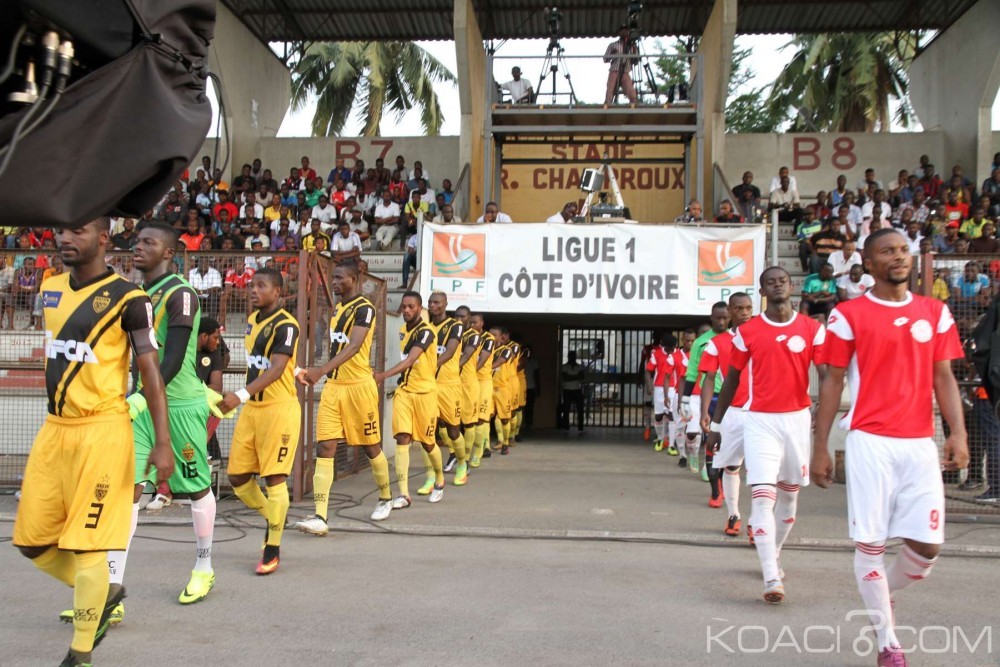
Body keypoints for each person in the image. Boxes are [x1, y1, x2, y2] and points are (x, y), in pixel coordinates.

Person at [14, 218, 172, 667]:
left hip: (103, 431)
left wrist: (162, 442)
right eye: (61, 231)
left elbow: (151, 372)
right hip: (55, 429)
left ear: (103, 239)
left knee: (88, 546)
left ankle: (80, 654)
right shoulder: (49, 287)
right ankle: (103, 593)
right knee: (31, 541)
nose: (65, 237)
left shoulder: (130, 299)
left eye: (77, 231)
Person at [812, 228, 968, 666]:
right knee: (872, 544)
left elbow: (944, 377)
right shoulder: (849, 314)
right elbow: (833, 381)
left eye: (903, 250)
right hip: (870, 442)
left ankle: (878, 593)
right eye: (888, 252)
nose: (899, 258)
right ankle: (888, 644)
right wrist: (820, 445)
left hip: (920, 443)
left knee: (928, 546)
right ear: (868, 261)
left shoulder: (934, 311)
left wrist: (957, 432)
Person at [103, 223, 217, 608]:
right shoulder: (137, 294)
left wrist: (138, 397)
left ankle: (204, 565)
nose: (138, 248)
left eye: (148, 242)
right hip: (141, 406)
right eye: (137, 241)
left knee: (195, 488)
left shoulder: (180, 293)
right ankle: (110, 593)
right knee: (128, 492)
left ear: (169, 252)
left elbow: (172, 358)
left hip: (179, 405)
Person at [706, 266, 826, 605]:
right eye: (770, 282)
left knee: (789, 498)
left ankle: (772, 552)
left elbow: (828, 373)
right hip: (759, 421)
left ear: (792, 287)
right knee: (762, 496)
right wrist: (716, 425)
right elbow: (730, 379)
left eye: (782, 281)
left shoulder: (812, 329)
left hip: (797, 421)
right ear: (762, 290)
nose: (777, 285)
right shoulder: (749, 331)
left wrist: (824, 410)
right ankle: (771, 575)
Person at [295, 261, 392, 530]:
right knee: (325, 447)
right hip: (334, 388)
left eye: (339, 277)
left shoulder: (365, 308)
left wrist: (321, 369)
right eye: (332, 277)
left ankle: (385, 497)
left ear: (354, 278)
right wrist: (323, 373)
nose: (334, 282)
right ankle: (320, 516)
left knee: (371, 447)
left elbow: (355, 345)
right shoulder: (338, 309)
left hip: (359, 388)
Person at [217, 268, 301, 575]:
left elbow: (277, 368)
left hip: (278, 411)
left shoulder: (287, 325)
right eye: (252, 285)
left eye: (261, 286)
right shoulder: (253, 322)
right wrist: (297, 368)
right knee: (238, 477)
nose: (254, 290)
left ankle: (272, 546)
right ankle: (274, 515)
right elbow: (266, 363)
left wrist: (238, 394)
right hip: (252, 409)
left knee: (274, 478)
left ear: (277, 292)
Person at [375, 291, 446, 508]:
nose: (406, 310)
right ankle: (404, 494)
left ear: (420, 308)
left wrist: (382, 376)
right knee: (402, 438)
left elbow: (410, 360)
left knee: (427, 442)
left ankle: (440, 480)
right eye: (404, 306)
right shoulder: (402, 329)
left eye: (411, 307)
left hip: (425, 394)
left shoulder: (426, 332)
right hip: (405, 392)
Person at [698, 292, 754, 528]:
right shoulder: (717, 343)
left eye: (748, 308)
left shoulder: (764, 335)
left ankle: (758, 522)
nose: (744, 313)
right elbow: (709, 379)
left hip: (763, 414)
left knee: (762, 472)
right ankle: (734, 515)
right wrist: (705, 412)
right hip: (733, 413)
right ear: (730, 312)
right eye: (738, 309)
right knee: (732, 466)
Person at [679, 302, 729, 477]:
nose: (721, 322)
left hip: (731, 396)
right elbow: (691, 373)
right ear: (711, 317)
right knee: (701, 432)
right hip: (706, 395)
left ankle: (714, 465)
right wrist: (684, 399)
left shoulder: (738, 338)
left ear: (730, 316)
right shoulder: (701, 342)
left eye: (725, 318)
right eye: (718, 318)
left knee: (722, 435)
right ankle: (699, 459)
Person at [427, 292, 470, 483]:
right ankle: (433, 475)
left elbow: (450, 351)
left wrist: (429, 365)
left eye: (437, 302)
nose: (433, 305)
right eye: (430, 302)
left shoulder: (456, 326)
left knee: (453, 429)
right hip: (428, 385)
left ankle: (462, 462)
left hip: (449, 385)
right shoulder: (425, 327)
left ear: (445, 304)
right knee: (426, 431)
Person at [454, 306, 483, 463]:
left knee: (469, 422)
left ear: (469, 318)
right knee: (450, 423)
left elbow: (465, 355)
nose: (459, 319)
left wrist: (451, 367)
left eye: (463, 317)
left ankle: (466, 457)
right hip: (452, 384)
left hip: (469, 384)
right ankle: (455, 455)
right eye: (456, 316)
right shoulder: (452, 331)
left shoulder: (474, 336)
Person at [196, 317, 226, 460]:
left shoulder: (214, 352)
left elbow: (216, 386)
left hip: (202, 410)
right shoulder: (184, 350)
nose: (218, 342)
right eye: (215, 338)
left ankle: (214, 475)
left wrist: (193, 393)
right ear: (204, 336)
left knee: (214, 456)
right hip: (179, 411)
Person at [470, 313, 497, 463]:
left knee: (481, 417)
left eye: (475, 322)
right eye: (471, 323)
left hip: (484, 381)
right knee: (469, 419)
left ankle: (478, 452)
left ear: (482, 323)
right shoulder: (466, 337)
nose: (473, 325)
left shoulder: (488, 339)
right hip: (469, 382)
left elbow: (482, 359)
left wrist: (470, 372)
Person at [645, 334, 677, 452]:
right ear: (665, 346)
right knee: (659, 416)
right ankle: (660, 438)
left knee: (671, 415)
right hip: (659, 388)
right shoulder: (656, 354)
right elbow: (648, 371)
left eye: (674, 348)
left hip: (673, 388)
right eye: (670, 348)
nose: (672, 350)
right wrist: (649, 385)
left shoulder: (677, 354)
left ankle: (670, 443)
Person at [491, 327, 516, 452]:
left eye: (494, 335)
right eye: (489, 334)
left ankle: (506, 442)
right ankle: (493, 444)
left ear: (501, 337)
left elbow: (499, 362)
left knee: (504, 418)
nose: (491, 337)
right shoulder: (485, 350)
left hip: (502, 388)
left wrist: (485, 367)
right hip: (488, 387)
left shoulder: (506, 350)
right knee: (484, 418)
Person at [603, 25, 638, 104]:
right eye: (622, 30)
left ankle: (634, 107)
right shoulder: (613, 45)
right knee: (610, 91)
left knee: (632, 93)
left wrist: (635, 51)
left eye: (626, 30)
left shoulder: (632, 46)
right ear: (619, 32)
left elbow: (636, 61)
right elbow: (605, 59)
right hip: (614, 70)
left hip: (625, 71)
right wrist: (612, 54)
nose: (624, 32)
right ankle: (607, 107)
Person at [560, 350, 585, 434]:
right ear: (568, 356)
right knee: (566, 409)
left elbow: (581, 377)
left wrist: (570, 377)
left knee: (580, 409)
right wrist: (576, 376)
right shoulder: (565, 366)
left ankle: (580, 427)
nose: (572, 357)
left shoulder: (579, 367)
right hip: (568, 390)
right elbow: (565, 377)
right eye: (571, 356)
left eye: (573, 356)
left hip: (576, 390)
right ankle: (566, 427)